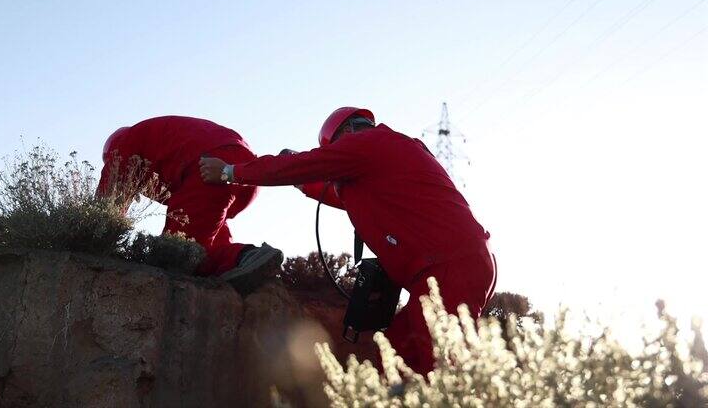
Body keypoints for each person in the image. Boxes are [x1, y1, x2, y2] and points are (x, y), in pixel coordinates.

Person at [198, 107, 497, 374]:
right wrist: (301, 182)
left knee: (442, 369)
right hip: (455, 264)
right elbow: (337, 193)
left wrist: (229, 172)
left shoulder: (367, 143)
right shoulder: (387, 157)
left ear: (343, 134)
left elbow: (306, 166)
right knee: (397, 356)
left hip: (448, 267)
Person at [97, 115, 283, 292]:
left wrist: (99, 246)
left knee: (174, 253)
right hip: (245, 173)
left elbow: (105, 211)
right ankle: (241, 264)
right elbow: (198, 210)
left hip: (208, 167)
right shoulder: (155, 141)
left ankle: (244, 257)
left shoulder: (123, 148)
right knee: (201, 239)